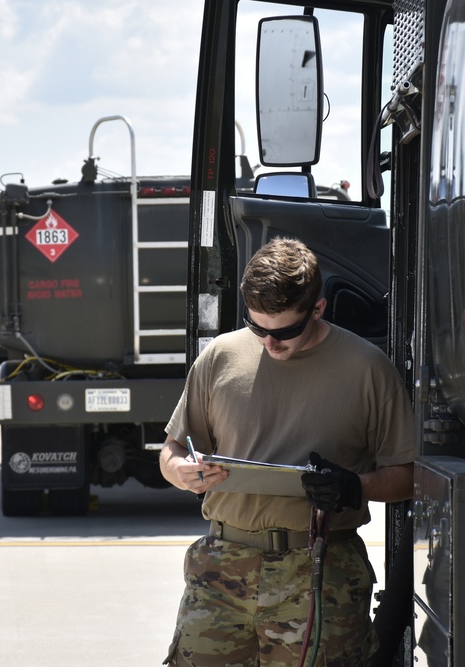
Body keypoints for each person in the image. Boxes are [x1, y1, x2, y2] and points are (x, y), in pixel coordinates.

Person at [159, 237, 415, 666]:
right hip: (220, 572)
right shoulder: (219, 357)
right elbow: (171, 448)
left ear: (318, 308)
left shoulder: (367, 369)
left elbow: (408, 475)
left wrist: (354, 487)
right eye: (257, 328)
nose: (269, 344)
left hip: (320, 571)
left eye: (284, 332)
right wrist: (180, 469)